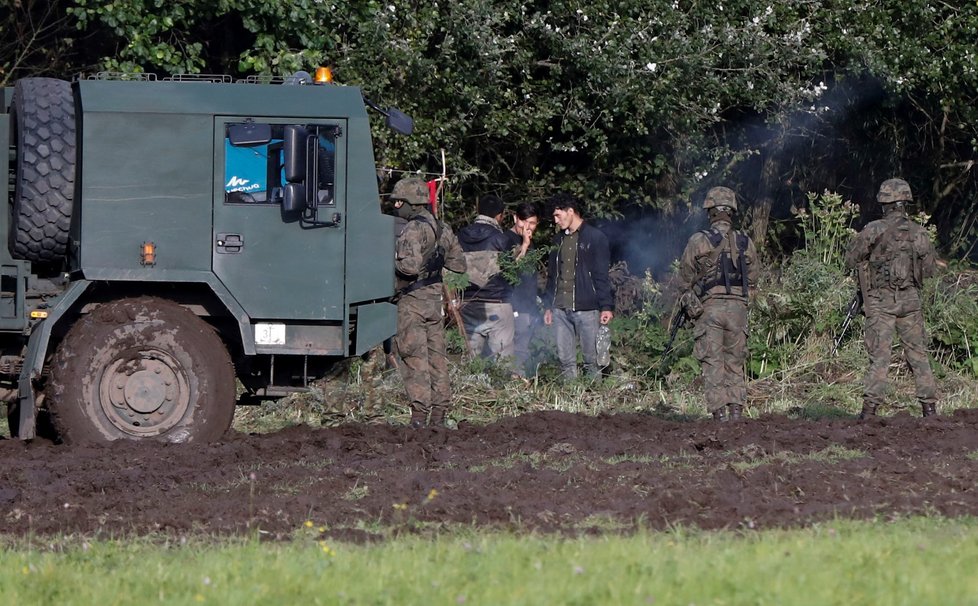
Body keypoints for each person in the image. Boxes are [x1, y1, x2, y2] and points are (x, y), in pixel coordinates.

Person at [844, 178, 940, 419]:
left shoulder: (874, 229)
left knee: (880, 356)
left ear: (884, 203)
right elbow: (929, 269)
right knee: (918, 355)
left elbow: (850, 260)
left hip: (880, 301)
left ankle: (869, 412)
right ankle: (930, 410)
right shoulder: (919, 232)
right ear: (905, 202)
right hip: (910, 300)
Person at [391, 177, 466, 428]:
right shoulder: (443, 229)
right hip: (435, 301)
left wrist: (392, 261)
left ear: (411, 203)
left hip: (412, 300)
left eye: (399, 201)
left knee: (414, 358)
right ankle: (440, 414)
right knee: (437, 358)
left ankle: (419, 417)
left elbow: (409, 268)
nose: (396, 205)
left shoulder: (412, 229)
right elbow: (459, 264)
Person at [678, 186, 758, 421]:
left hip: (709, 308)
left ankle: (719, 416)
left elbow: (684, 278)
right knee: (735, 362)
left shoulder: (698, 241)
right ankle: (736, 412)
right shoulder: (745, 242)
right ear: (731, 212)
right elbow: (753, 278)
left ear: (710, 212)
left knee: (713, 363)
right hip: (737, 310)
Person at [543, 193, 614, 380]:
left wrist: (606, 306)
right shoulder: (557, 240)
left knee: (592, 359)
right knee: (565, 359)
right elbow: (552, 275)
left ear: (571, 212)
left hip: (587, 307)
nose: (555, 220)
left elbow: (601, 275)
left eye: (558, 215)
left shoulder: (595, 237)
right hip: (559, 307)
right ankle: (569, 399)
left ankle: (595, 400)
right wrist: (547, 305)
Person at [457, 195, 517, 366]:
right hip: (497, 304)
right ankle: (503, 390)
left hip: (467, 303)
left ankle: (470, 388)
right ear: (500, 215)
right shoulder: (501, 238)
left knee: (470, 361)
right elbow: (511, 273)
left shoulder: (460, 236)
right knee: (503, 361)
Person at [503, 201, 542, 376]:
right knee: (510, 350)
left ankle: (518, 383)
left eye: (532, 223)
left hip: (527, 306)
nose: (527, 227)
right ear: (515, 218)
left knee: (522, 350)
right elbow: (510, 270)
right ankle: (511, 384)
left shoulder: (531, 243)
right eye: (523, 221)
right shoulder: (505, 239)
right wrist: (524, 246)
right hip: (511, 304)